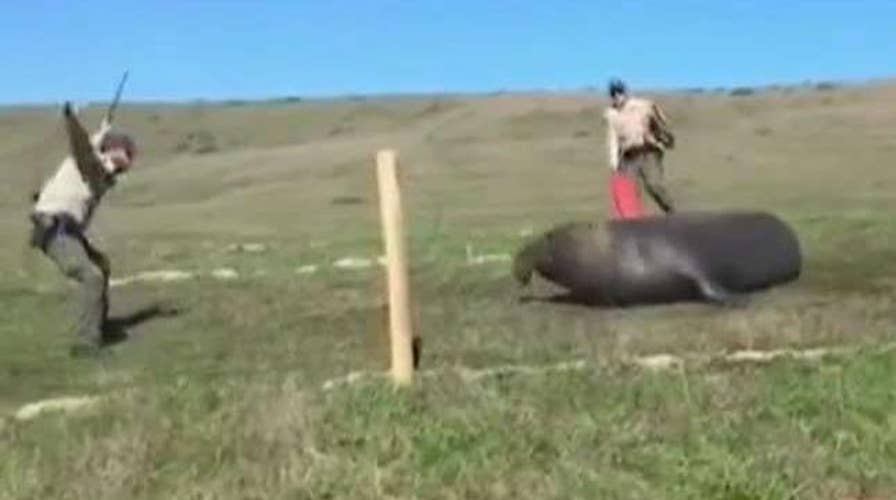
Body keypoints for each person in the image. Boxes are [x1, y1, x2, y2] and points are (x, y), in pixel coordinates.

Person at [29, 102, 137, 357]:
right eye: (122, 157)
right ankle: (86, 344)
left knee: (102, 266)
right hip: (54, 230)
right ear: (109, 152)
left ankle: (98, 324)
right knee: (92, 276)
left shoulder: (98, 173)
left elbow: (95, 155)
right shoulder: (86, 163)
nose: (122, 165)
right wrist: (72, 119)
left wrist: (102, 135)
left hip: (66, 231)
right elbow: (82, 144)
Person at [603, 78, 677, 214]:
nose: (617, 97)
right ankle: (635, 223)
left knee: (654, 185)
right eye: (613, 94)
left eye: (619, 93)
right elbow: (613, 139)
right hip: (628, 156)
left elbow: (658, 120)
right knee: (629, 192)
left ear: (625, 92)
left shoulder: (642, 105)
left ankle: (673, 212)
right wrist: (614, 163)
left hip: (648, 151)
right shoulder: (611, 114)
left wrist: (664, 135)